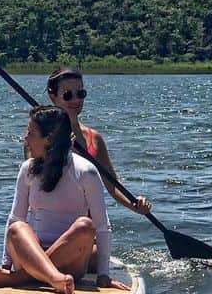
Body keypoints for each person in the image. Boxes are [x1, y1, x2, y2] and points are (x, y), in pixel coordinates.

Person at [0, 105, 129, 294]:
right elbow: (15, 218)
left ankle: (23, 278)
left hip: (71, 263)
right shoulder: (27, 169)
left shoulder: (85, 171)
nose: (25, 138)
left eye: (31, 132)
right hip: (30, 256)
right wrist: (5, 265)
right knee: (17, 228)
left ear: (49, 139)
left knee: (86, 226)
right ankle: (54, 278)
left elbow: (103, 226)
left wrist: (104, 275)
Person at [46, 67, 152, 216]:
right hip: (50, 221)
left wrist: (134, 204)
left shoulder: (94, 138)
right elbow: (35, 179)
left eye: (80, 93)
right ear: (53, 97)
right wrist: (61, 151)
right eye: (68, 95)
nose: (76, 100)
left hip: (89, 224)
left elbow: (113, 184)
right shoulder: (40, 135)